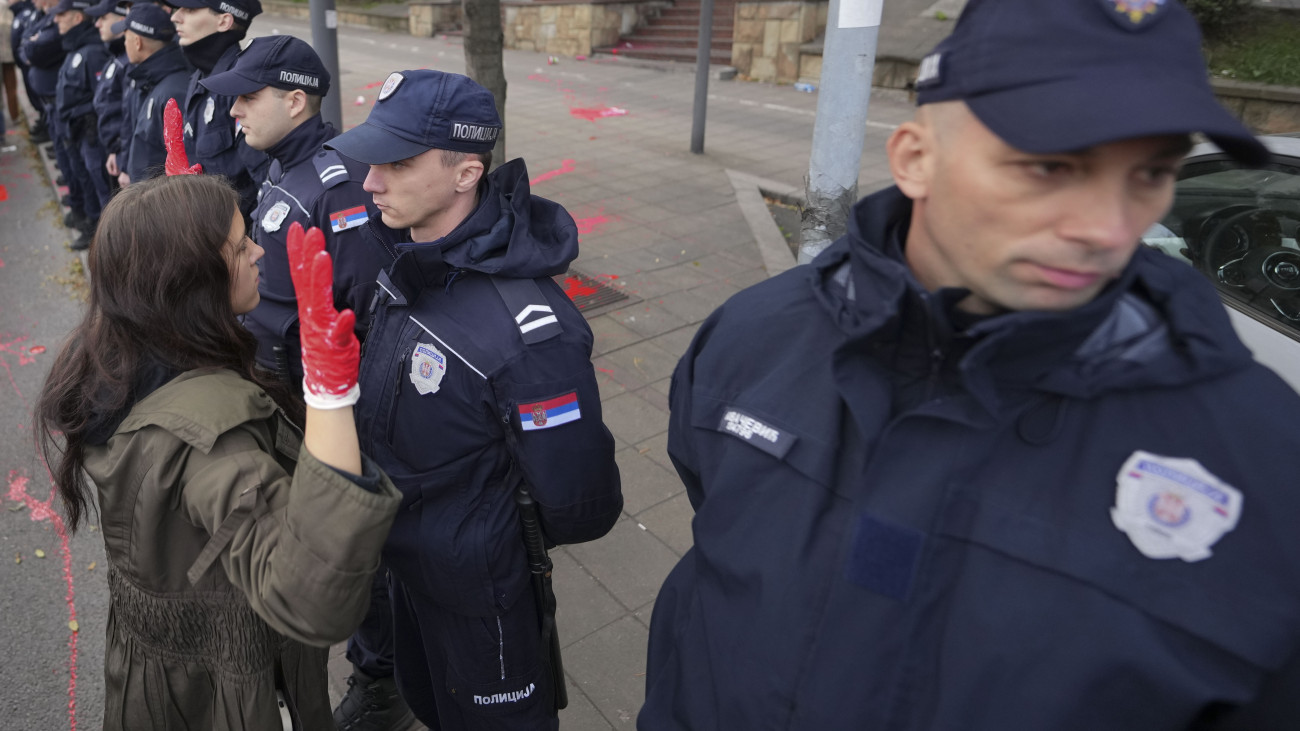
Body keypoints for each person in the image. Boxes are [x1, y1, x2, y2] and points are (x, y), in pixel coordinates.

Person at [640, 0, 1300, 729]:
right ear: (916, 158)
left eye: (1150, 173)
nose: (1110, 228)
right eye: (1050, 166)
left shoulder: (1264, 464)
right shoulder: (753, 336)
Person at [35, 171, 403, 730]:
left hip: (159, 682)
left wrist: (171, 206)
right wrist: (329, 391)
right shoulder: (209, 441)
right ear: (188, 282)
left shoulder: (122, 355)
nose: (258, 252)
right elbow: (311, 597)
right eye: (238, 246)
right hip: (222, 702)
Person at [323, 69, 623, 731]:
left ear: (466, 173)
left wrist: (475, 534)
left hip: (477, 591)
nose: (370, 181)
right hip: (408, 565)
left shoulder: (527, 332)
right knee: (430, 702)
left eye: (396, 163)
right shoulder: (408, 255)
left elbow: (581, 502)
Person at [199, 34, 388, 388]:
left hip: (306, 389)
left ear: (295, 102)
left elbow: (365, 317)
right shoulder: (283, 163)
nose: (234, 110)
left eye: (249, 97)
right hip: (273, 367)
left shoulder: (337, 190)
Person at [169, 0, 263, 219]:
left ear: (224, 21)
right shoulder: (201, 76)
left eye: (190, 10)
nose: (175, 16)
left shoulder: (240, 86)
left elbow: (263, 182)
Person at [52, 0, 111, 248]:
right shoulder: (77, 47)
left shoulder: (93, 51)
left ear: (77, 18)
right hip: (75, 130)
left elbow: (102, 97)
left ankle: (102, 234)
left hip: (89, 132)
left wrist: (83, 115)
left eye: (62, 15)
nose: (56, 20)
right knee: (84, 177)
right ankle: (91, 223)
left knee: (98, 180)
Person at [114, 2, 188, 185]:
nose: (124, 43)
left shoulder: (171, 90)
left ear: (137, 42)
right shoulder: (150, 79)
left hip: (158, 203)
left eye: (126, 38)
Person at [85, 0, 128, 186]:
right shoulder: (116, 55)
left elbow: (129, 116)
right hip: (114, 150)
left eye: (103, 18)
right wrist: (113, 150)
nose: (97, 24)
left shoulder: (130, 61)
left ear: (122, 19)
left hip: (125, 157)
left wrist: (122, 155)